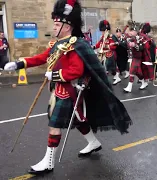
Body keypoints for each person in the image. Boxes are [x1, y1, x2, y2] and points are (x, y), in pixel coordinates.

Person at [3, 0, 132, 174]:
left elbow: (77, 70)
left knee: (54, 124)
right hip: (58, 91)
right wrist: (19, 64)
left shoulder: (76, 44)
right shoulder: (57, 43)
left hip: (69, 91)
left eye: (57, 24)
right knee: (78, 121)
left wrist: (54, 75)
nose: (54, 27)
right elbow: (42, 57)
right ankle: (93, 142)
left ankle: (49, 162)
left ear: (67, 26)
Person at [123, 22, 149, 92]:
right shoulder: (131, 38)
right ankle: (144, 82)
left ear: (135, 31)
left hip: (139, 57)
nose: (131, 32)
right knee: (137, 72)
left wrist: (135, 45)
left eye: (132, 31)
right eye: (131, 31)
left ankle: (129, 87)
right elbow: (127, 44)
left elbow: (142, 47)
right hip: (133, 57)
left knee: (132, 70)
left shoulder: (140, 38)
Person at [92, 20, 120, 85]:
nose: (102, 32)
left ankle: (116, 76)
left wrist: (106, 46)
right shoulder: (103, 37)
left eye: (103, 31)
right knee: (103, 67)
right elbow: (99, 43)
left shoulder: (111, 36)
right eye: (102, 31)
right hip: (103, 54)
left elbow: (114, 46)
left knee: (111, 67)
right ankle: (104, 79)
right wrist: (94, 47)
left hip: (110, 54)